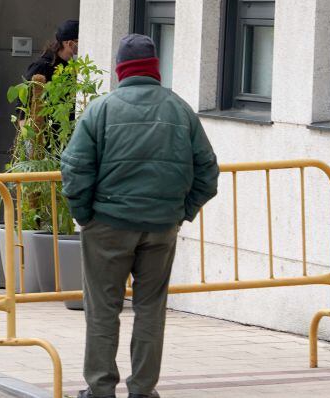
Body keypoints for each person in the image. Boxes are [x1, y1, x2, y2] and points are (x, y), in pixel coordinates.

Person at [61, 34, 219, 398]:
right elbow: (208, 173)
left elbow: (75, 167)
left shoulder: (101, 109)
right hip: (161, 227)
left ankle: (100, 389)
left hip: (108, 224)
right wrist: (181, 212)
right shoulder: (180, 110)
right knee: (150, 309)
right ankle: (143, 391)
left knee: (103, 309)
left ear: (120, 70)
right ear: (155, 70)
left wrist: (85, 215)